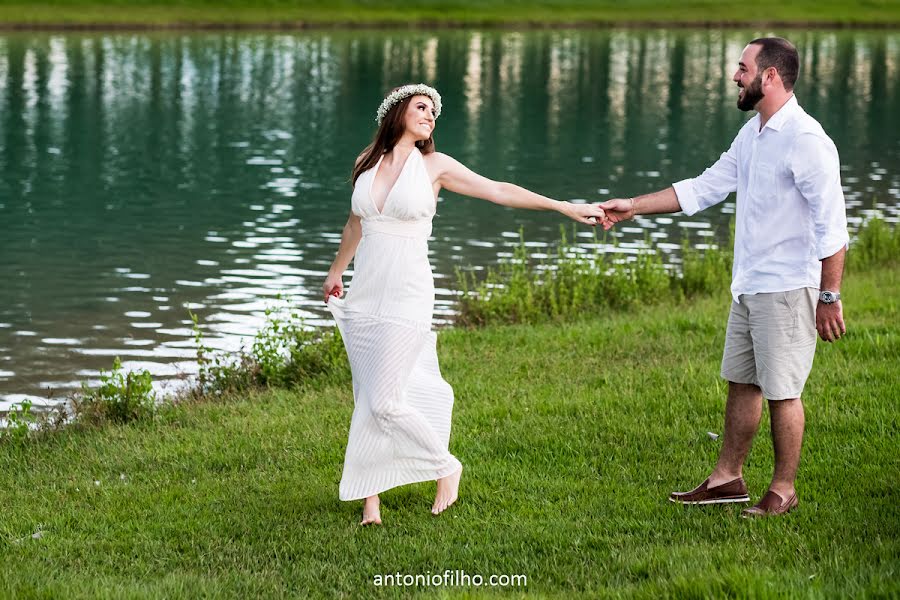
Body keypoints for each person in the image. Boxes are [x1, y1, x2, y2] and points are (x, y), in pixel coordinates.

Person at [323, 83, 605, 526]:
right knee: (368, 393)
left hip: (408, 293)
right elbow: (355, 224)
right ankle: (371, 502)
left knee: (384, 402)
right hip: (365, 293)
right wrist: (337, 270)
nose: (430, 115)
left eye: (434, 112)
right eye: (422, 107)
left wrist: (564, 207)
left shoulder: (434, 166)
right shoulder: (366, 162)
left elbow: (498, 190)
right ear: (396, 111)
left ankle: (444, 464)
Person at [600, 38, 849, 517]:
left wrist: (829, 295)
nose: (736, 76)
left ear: (770, 76)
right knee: (742, 382)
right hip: (749, 284)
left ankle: (783, 490)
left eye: (743, 67)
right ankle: (726, 479)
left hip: (787, 288)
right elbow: (705, 186)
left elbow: (833, 228)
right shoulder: (754, 133)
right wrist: (632, 206)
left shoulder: (807, 140)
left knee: (782, 392)